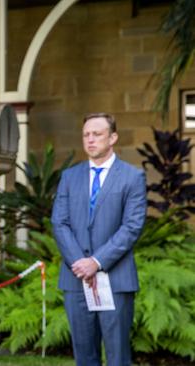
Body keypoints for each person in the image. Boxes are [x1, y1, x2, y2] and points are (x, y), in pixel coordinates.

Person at [51, 113, 146, 366]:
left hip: (116, 279)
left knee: (117, 357)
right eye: (86, 135)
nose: (90, 140)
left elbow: (132, 226)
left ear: (113, 137)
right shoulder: (69, 177)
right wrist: (81, 263)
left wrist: (96, 260)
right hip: (76, 278)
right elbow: (59, 222)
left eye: (97, 134)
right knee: (84, 357)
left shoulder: (132, 177)